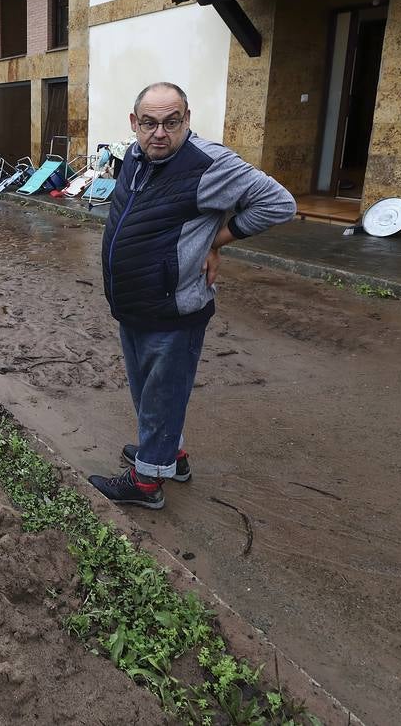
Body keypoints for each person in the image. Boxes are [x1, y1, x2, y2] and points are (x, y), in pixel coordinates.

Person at [89, 82, 296, 509]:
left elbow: (278, 203)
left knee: (162, 393)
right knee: (150, 391)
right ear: (134, 123)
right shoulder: (135, 156)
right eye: (149, 123)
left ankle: (147, 482)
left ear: (187, 120)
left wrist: (217, 240)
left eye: (171, 122)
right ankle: (168, 455)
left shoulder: (209, 164)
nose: (159, 133)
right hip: (133, 304)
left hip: (173, 308)